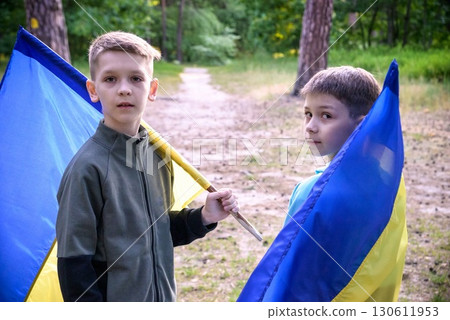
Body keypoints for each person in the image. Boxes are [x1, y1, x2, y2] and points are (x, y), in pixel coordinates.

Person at [55, 31, 239, 302]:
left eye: (136, 78)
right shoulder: (87, 169)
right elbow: (74, 267)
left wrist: (204, 216)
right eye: (110, 79)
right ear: (93, 90)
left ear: (152, 90)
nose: (124, 88)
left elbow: (159, 232)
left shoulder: (159, 156)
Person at [285, 66, 380, 225]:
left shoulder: (309, 193)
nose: (310, 126)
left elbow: (287, 249)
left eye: (326, 115)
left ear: (361, 126)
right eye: (308, 114)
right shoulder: (388, 182)